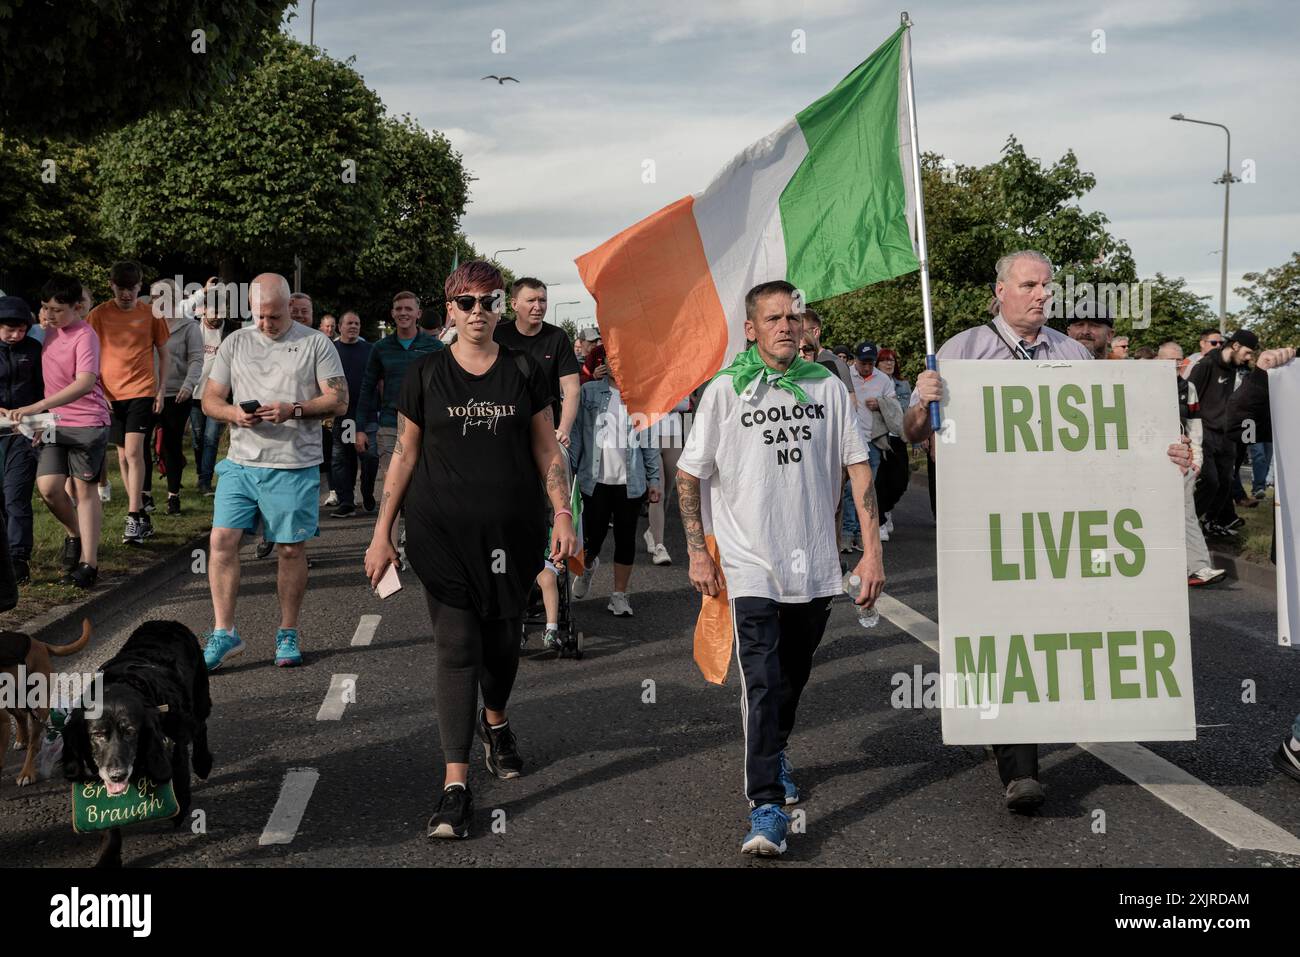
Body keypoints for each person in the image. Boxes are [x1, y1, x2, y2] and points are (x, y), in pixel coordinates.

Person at [905, 249, 1195, 813]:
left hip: (1057, 512)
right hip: (983, 513)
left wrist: (1167, 451)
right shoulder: (960, 351)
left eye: (1047, 286)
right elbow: (915, 430)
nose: (1042, 295)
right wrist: (925, 404)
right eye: (1030, 284)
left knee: (1043, 618)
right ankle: (1020, 767)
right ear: (1001, 291)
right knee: (998, 619)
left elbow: (1120, 428)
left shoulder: (1071, 352)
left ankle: (1019, 730)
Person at [363, 260, 577, 840]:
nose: (478, 312)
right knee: (457, 646)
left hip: (513, 536)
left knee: (503, 645)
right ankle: (455, 784)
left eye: (489, 301)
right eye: (467, 303)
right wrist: (384, 531)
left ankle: (496, 722)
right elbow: (404, 455)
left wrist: (562, 511)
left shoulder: (525, 370)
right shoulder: (425, 374)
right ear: (449, 309)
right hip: (441, 534)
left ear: (500, 307)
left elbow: (545, 449)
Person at [677, 279, 885, 857]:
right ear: (751, 328)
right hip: (749, 565)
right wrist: (698, 552)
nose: (786, 327)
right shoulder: (726, 391)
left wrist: (871, 552)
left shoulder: (828, 388)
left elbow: (859, 469)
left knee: (793, 673)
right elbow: (689, 474)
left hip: (815, 562)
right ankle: (766, 805)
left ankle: (777, 746)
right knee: (762, 680)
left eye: (794, 317)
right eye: (773, 318)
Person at [200, 273, 347, 672]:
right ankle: (224, 631)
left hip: (293, 464)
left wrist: (293, 409)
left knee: (289, 549)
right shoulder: (236, 342)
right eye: (261, 316)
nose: (267, 324)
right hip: (241, 463)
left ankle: (287, 630)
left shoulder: (315, 342)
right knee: (221, 542)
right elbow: (210, 399)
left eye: (275, 316)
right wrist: (233, 413)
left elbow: (339, 399)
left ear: (289, 307)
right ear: (251, 309)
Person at [13, 277, 111, 589]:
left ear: (77, 308)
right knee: (50, 488)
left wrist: (38, 406)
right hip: (54, 423)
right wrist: (39, 415)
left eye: (56, 309)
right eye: (44, 307)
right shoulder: (47, 333)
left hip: (87, 425)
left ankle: (89, 563)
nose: (48, 314)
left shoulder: (86, 336)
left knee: (84, 491)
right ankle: (76, 533)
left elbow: (84, 382)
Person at [568, 346, 662, 615]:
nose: (617, 365)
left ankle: (619, 595)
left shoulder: (641, 397)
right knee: (592, 537)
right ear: (605, 363)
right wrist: (568, 472)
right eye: (612, 360)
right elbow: (575, 435)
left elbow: (649, 442)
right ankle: (587, 568)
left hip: (630, 483)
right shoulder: (589, 393)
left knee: (625, 539)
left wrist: (654, 479)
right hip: (594, 481)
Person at [87, 261, 169, 546]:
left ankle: (134, 515)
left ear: (140, 286)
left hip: (142, 390)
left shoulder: (151, 314)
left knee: (134, 452)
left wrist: (161, 390)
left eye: (132, 289)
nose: (126, 294)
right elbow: (89, 354)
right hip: (110, 394)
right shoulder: (98, 315)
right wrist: (96, 390)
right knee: (122, 455)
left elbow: (164, 353)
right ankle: (141, 516)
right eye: (121, 289)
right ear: (112, 285)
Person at [356, 292, 444, 497]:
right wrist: (359, 428)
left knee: (421, 482)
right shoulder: (380, 348)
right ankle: (390, 528)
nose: (403, 313)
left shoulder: (435, 347)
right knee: (391, 482)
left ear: (418, 313)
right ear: (392, 314)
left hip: (426, 424)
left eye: (408, 309)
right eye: (399, 309)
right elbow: (367, 388)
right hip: (390, 423)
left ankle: (414, 526)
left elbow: (446, 388)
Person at [1156, 341, 1226, 587]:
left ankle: (1198, 567)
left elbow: (1195, 425)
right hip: (1150, 462)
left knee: (1186, 513)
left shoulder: (1189, 388)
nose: (1175, 365)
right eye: (1169, 360)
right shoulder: (1144, 385)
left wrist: (1197, 458)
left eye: (1179, 361)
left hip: (1180, 463)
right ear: (1158, 360)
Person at [1188, 329, 1258, 539]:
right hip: (1205, 433)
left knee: (1227, 482)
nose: (1248, 357)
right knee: (1211, 482)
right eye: (1247, 352)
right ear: (1235, 346)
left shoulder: (1233, 368)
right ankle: (1188, 525)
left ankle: (1212, 523)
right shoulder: (1206, 365)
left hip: (1226, 434)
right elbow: (1189, 398)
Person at [151, 279, 204, 515]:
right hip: (148, 393)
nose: (155, 301)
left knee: (171, 446)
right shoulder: (147, 324)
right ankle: (144, 496)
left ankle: (173, 496)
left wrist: (189, 384)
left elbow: (196, 359)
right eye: (153, 297)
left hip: (177, 394)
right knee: (141, 445)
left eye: (160, 296)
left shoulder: (188, 327)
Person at [0, 296, 43, 584]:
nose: (16, 335)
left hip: (23, 433)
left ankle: (18, 557)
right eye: (8, 329)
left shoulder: (36, 350)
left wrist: (42, 420)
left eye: (21, 329)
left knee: (16, 496)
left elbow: (46, 389)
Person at [190, 289, 243, 496]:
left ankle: (205, 481)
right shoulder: (194, 328)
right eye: (213, 311)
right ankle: (200, 473)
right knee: (197, 438)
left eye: (221, 310)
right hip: (194, 392)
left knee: (211, 438)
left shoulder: (232, 330)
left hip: (219, 396)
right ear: (203, 310)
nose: (217, 315)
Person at [842, 342, 894, 550]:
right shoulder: (846, 376)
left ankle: (862, 535)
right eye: (863, 363)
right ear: (855, 360)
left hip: (872, 441)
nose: (867, 367)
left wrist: (881, 403)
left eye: (871, 363)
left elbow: (893, 405)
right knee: (847, 489)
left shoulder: (883, 379)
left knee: (867, 490)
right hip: (850, 439)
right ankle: (848, 532)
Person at [329, 311, 377, 516]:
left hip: (366, 413)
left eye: (357, 323)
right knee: (343, 457)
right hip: (343, 414)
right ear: (340, 326)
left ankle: (367, 492)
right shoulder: (331, 350)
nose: (354, 326)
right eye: (349, 323)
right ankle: (346, 501)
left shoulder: (370, 349)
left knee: (369, 456)